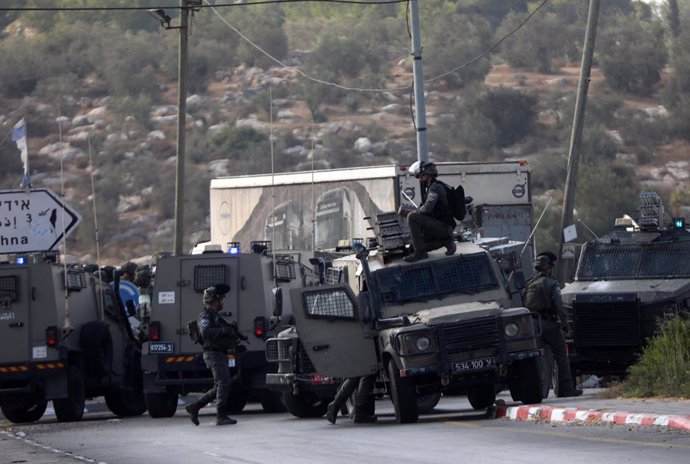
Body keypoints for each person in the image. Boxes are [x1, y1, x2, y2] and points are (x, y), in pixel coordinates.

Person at [523, 252, 583, 398]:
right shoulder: (552, 284)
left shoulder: (529, 284)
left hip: (534, 325)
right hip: (550, 324)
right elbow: (559, 307)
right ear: (548, 268)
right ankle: (566, 388)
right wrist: (565, 326)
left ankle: (541, 391)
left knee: (541, 358)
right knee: (561, 356)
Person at [185, 284, 243, 426]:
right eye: (220, 299)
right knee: (224, 383)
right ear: (214, 301)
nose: (222, 302)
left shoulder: (215, 316)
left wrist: (236, 346)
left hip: (219, 353)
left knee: (219, 385)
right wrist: (224, 330)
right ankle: (221, 416)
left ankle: (195, 407)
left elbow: (221, 338)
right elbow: (206, 332)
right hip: (213, 354)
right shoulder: (205, 315)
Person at [399, 161, 457, 262]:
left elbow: (427, 208)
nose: (420, 179)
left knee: (412, 217)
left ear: (427, 175)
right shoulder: (433, 187)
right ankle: (446, 241)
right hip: (442, 227)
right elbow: (427, 209)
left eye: (421, 176)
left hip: (443, 227)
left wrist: (413, 213)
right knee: (413, 248)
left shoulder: (435, 187)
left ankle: (421, 253)